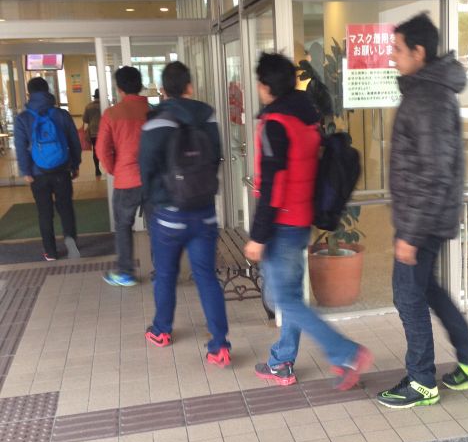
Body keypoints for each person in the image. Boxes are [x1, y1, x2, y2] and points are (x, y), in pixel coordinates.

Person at [376, 13, 468, 410]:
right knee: (427, 289)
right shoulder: (427, 92)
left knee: (407, 296)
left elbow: (434, 172)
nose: (392, 57)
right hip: (428, 216)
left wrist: (410, 235)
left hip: (422, 220)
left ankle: (421, 380)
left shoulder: (427, 98)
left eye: (397, 50)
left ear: (418, 52)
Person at [244, 52, 372, 390]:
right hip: (300, 222)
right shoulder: (306, 119)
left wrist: (258, 236)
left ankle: (345, 352)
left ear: (267, 86)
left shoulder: (275, 124)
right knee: (291, 298)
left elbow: (273, 186)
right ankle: (281, 361)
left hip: (281, 225)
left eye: (259, 82)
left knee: (284, 300)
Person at [139, 61, 230, 365]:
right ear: (190, 86)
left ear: (163, 90)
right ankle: (220, 345)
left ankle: (162, 330)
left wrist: (157, 198)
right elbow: (216, 157)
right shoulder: (208, 116)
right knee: (206, 277)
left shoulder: (154, 123)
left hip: (168, 214)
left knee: (165, 274)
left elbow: (146, 169)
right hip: (204, 212)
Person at [14, 76, 81, 262]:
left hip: (37, 173)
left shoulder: (23, 118)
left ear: (29, 93)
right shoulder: (61, 114)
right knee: (65, 207)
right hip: (62, 169)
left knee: (44, 212)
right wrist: (75, 164)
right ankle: (71, 241)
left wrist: (26, 171)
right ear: (47, 91)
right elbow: (74, 141)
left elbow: (20, 148)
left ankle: (50, 252)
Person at [96, 67, 149, 287]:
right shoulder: (153, 111)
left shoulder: (112, 113)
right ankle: (164, 272)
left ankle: (126, 273)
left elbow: (102, 149)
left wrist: (114, 169)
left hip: (126, 179)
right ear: (140, 85)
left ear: (119, 89)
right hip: (153, 180)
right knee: (156, 227)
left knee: (123, 226)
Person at [82, 89, 102, 177]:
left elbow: (85, 119)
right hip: (104, 131)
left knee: (95, 150)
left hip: (93, 132)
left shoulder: (88, 106)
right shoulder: (106, 105)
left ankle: (97, 169)